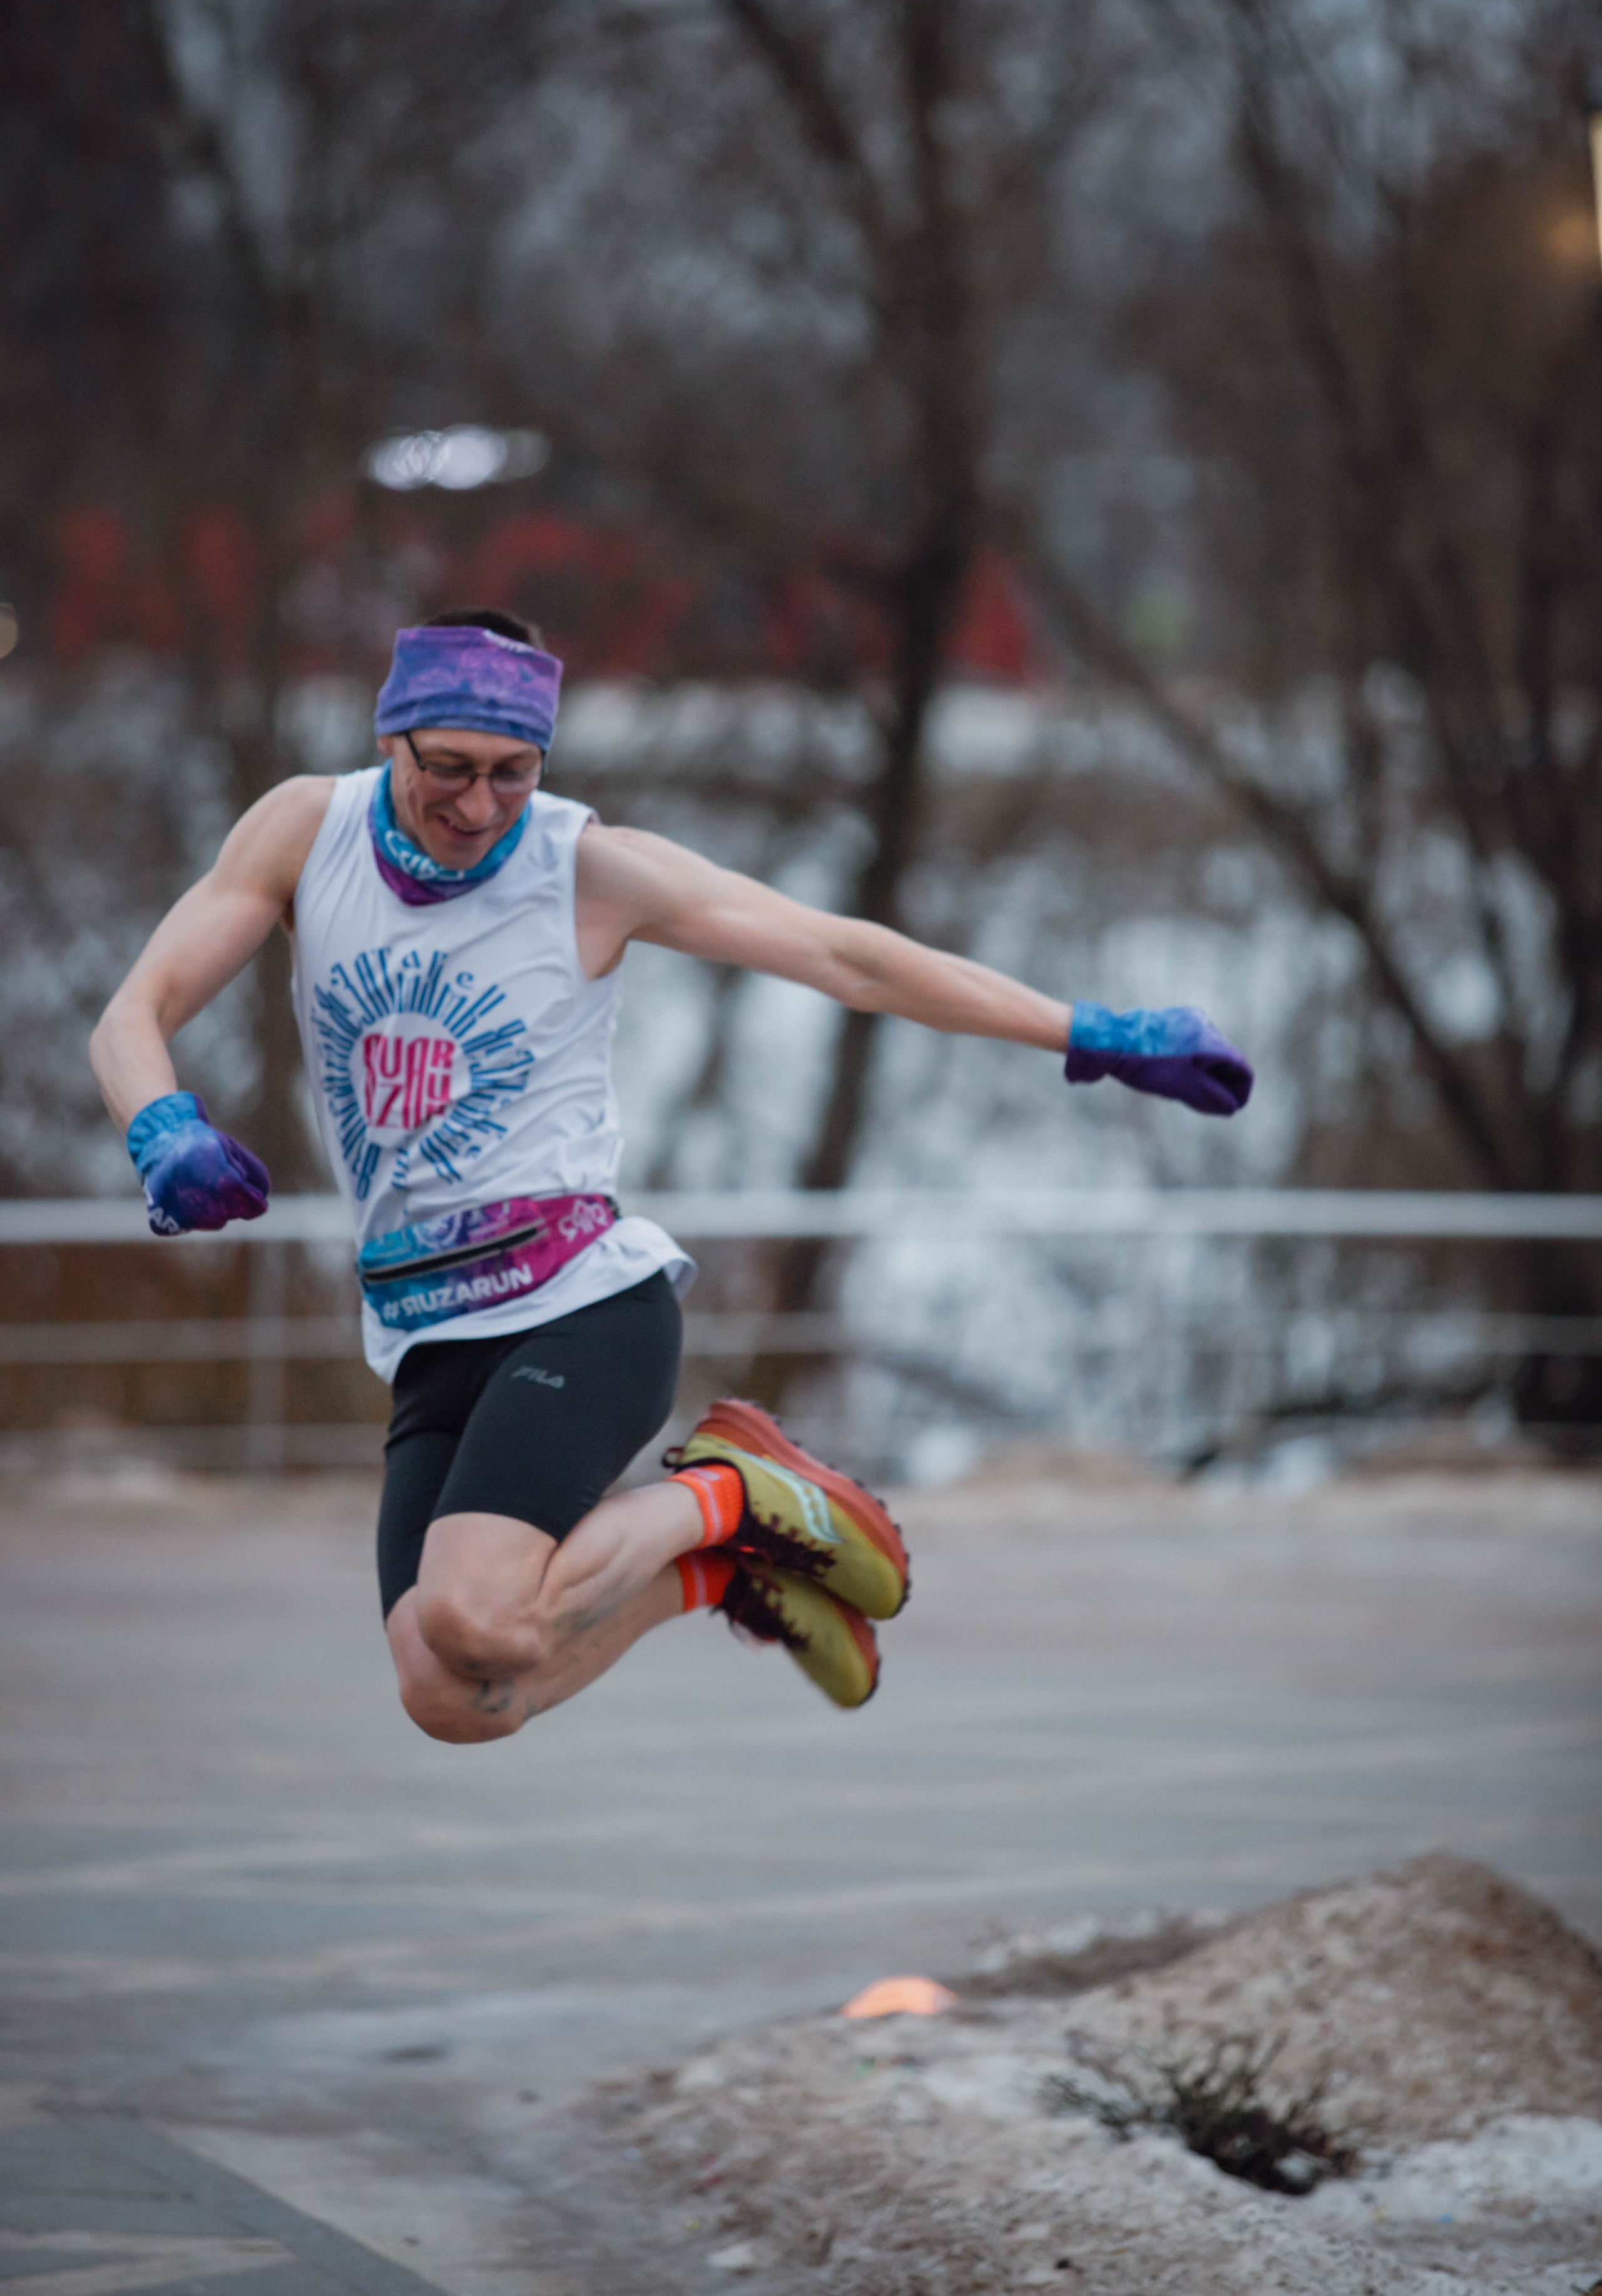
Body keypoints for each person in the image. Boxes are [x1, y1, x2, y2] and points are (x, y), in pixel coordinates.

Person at [90, 608, 1252, 1741]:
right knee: (451, 1696)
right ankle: (726, 1574)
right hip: (423, 1333)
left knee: (477, 1617)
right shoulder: (306, 830)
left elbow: (848, 959)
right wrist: (162, 1130)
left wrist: (1087, 1031)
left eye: (512, 772)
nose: (479, 806)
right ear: (390, 736)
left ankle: (733, 1491)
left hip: (578, 1308)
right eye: (448, 767)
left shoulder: (587, 870)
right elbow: (134, 1013)